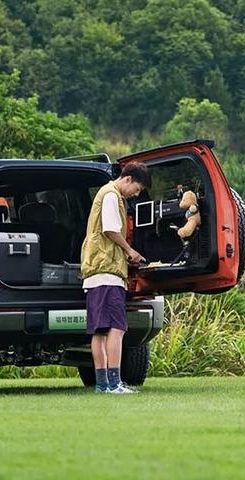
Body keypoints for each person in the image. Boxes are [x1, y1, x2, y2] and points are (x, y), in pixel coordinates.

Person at [80, 161, 151, 394]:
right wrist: (130, 251)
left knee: (99, 331)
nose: (135, 195)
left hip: (94, 273)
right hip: (107, 272)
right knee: (117, 328)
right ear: (128, 179)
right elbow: (111, 229)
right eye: (137, 189)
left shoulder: (104, 194)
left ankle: (103, 384)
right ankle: (114, 383)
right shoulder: (112, 195)